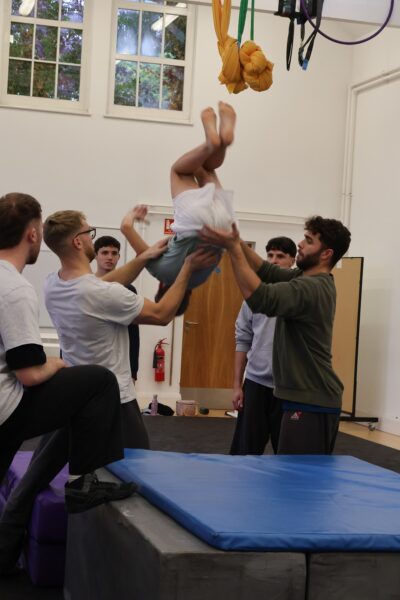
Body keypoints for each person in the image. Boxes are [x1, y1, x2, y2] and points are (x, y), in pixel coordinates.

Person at [0, 193, 136, 574]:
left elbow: (98, 286)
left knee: (72, 409)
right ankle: (81, 484)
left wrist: (141, 255)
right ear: (32, 234)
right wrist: (57, 363)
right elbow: (29, 372)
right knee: (98, 381)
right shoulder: (16, 288)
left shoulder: (50, 283)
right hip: (10, 407)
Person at [200, 216, 351, 455]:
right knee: (284, 468)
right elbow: (266, 270)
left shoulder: (311, 288)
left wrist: (233, 250)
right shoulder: (303, 278)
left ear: (326, 254)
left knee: (298, 474)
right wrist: (235, 241)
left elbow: (262, 298)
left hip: (312, 401)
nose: (300, 243)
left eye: (309, 240)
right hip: (296, 395)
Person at [120, 102, 237, 312]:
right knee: (179, 171)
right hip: (192, 224)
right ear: (160, 286)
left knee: (206, 170)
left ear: (188, 294)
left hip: (224, 226)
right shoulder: (157, 271)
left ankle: (223, 143)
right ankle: (211, 144)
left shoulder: (200, 279)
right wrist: (133, 215)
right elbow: (125, 227)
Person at [230, 236, 296, 455]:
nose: (274, 261)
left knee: (288, 457)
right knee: (244, 453)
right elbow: (243, 339)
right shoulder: (254, 297)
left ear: (293, 261)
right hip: (256, 383)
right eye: (270, 255)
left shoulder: (299, 295)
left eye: (280, 256)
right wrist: (237, 386)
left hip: (288, 387)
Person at [94, 235, 140, 381]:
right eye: (104, 252)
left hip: (119, 363)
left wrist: (133, 370)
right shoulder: (86, 286)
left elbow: (133, 332)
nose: (110, 257)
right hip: (92, 358)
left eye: (114, 253)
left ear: (119, 257)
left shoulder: (127, 289)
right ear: (96, 255)